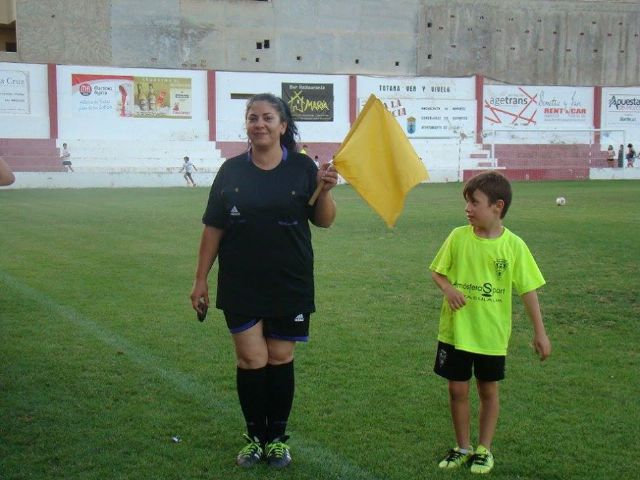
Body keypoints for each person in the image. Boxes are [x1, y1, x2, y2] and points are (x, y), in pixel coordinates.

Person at [189, 93, 338, 469]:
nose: (260, 124)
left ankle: (277, 439)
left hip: (290, 280)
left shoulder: (304, 168)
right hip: (241, 281)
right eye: (253, 117)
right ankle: (255, 437)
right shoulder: (232, 170)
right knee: (251, 358)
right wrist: (200, 280)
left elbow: (324, 220)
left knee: (280, 357)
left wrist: (327, 190)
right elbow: (213, 227)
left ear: (283, 126)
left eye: (268, 118)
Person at [429, 171, 551, 475]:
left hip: (491, 335)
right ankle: (462, 447)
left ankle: (484, 449)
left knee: (487, 391)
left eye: (474, 202)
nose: (467, 209)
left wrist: (540, 333)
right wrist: (449, 288)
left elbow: (528, 289)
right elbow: (437, 272)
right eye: (466, 203)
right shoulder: (458, 237)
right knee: (457, 390)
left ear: (497, 206)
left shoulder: (514, 246)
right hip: (455, 332)